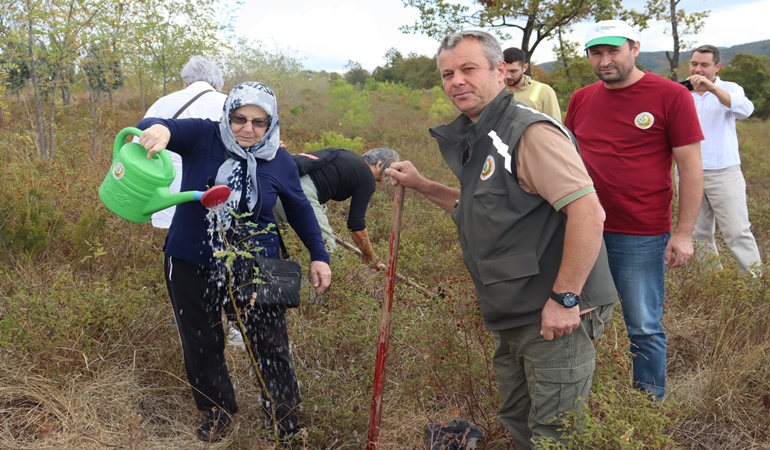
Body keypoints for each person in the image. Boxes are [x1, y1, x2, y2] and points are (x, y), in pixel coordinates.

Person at [385, 30, 617, 448]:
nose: (457, 81)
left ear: (500, 71)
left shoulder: (526, 133)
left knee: (555, 435)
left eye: (469, 69)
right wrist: (422, 184)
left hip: (554, 316)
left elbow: (588, 211)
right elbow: (484, 208)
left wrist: (566, 299)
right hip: (513, 312)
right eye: (448, 73)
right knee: (518, 421)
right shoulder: (481, 136)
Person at [136, 81, 332, 442]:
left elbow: (300, 208)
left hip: (261, 265)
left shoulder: (280, 159)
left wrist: (320, 255)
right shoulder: (204, 135)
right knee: (202, 340)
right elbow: (157, 125)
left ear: (271, 123)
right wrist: (160, 129)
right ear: (228, 114)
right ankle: (217, 412)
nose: (248, 128)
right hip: (191, 259)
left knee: (271, 345)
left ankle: (284, 422)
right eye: (240, 118)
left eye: (259, 122)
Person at [564, 19, 704, 401]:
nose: (605, 60)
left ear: (634, 48)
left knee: (642, 324)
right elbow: (566, 161)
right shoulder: (581, 98)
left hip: (640, 231)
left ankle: (648, 405)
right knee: (578, 318)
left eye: (613, 51)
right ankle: (580, 398)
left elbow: (691, 169)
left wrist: (684, 232)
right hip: (582, 228)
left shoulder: (671, 95)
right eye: (597, 53)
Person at [684, 44, 761, 275]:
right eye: (694, 63)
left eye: (705, 65)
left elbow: (746, 110)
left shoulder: (729, 88)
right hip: (689, 173)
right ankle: (711, 280)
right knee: (698, 232)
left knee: (737, 231)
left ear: (717, 67)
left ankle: (754, 282)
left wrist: (712, 89)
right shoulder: (681, 91)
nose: (699, 69)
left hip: (724, 171)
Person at [142, 56, 227, 228]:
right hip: (218, 191)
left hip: (168, 193)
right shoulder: (229, 104)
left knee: (175, 242)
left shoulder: (164, 102)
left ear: (185, 80)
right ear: (217, 81)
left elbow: (140, 144)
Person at [273, 147, 400, 263]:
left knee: (272, 242)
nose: (377, 182)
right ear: (379, 165)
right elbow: (356, 225)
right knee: (327, 252)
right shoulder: (366, 175)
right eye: (379, 179)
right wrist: (370, 257)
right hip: (300, 193)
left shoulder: (343, 154)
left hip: (276, 187)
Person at [502, 47, 562, 121]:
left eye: (513, 71)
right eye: (504, 71)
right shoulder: (494, 91)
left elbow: (555, 126)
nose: (508, 76)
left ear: (525, 67)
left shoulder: (544, 91)